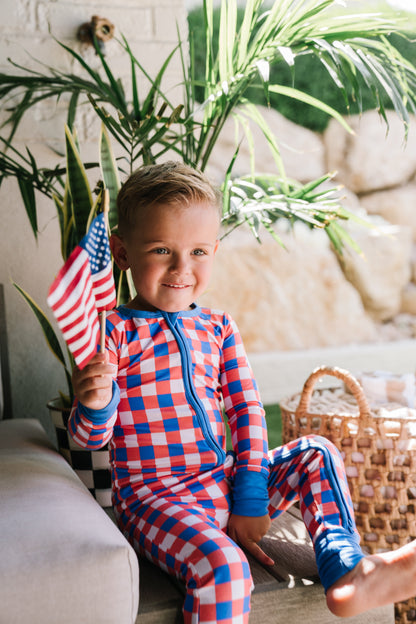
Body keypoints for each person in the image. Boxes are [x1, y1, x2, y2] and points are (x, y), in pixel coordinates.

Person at [69, 161, 416, 624]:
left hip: (224, 482)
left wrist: (249, 495)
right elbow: (89, 440)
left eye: (197, 252)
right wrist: (95, 403)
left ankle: (349, 575)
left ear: (214, 250)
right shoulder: (112, 334)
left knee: (317, 452)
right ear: (122, 252)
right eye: (161, 250)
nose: (181, 268)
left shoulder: (218, 327)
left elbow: (247, 410)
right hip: (156, 502)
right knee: (228, 568)